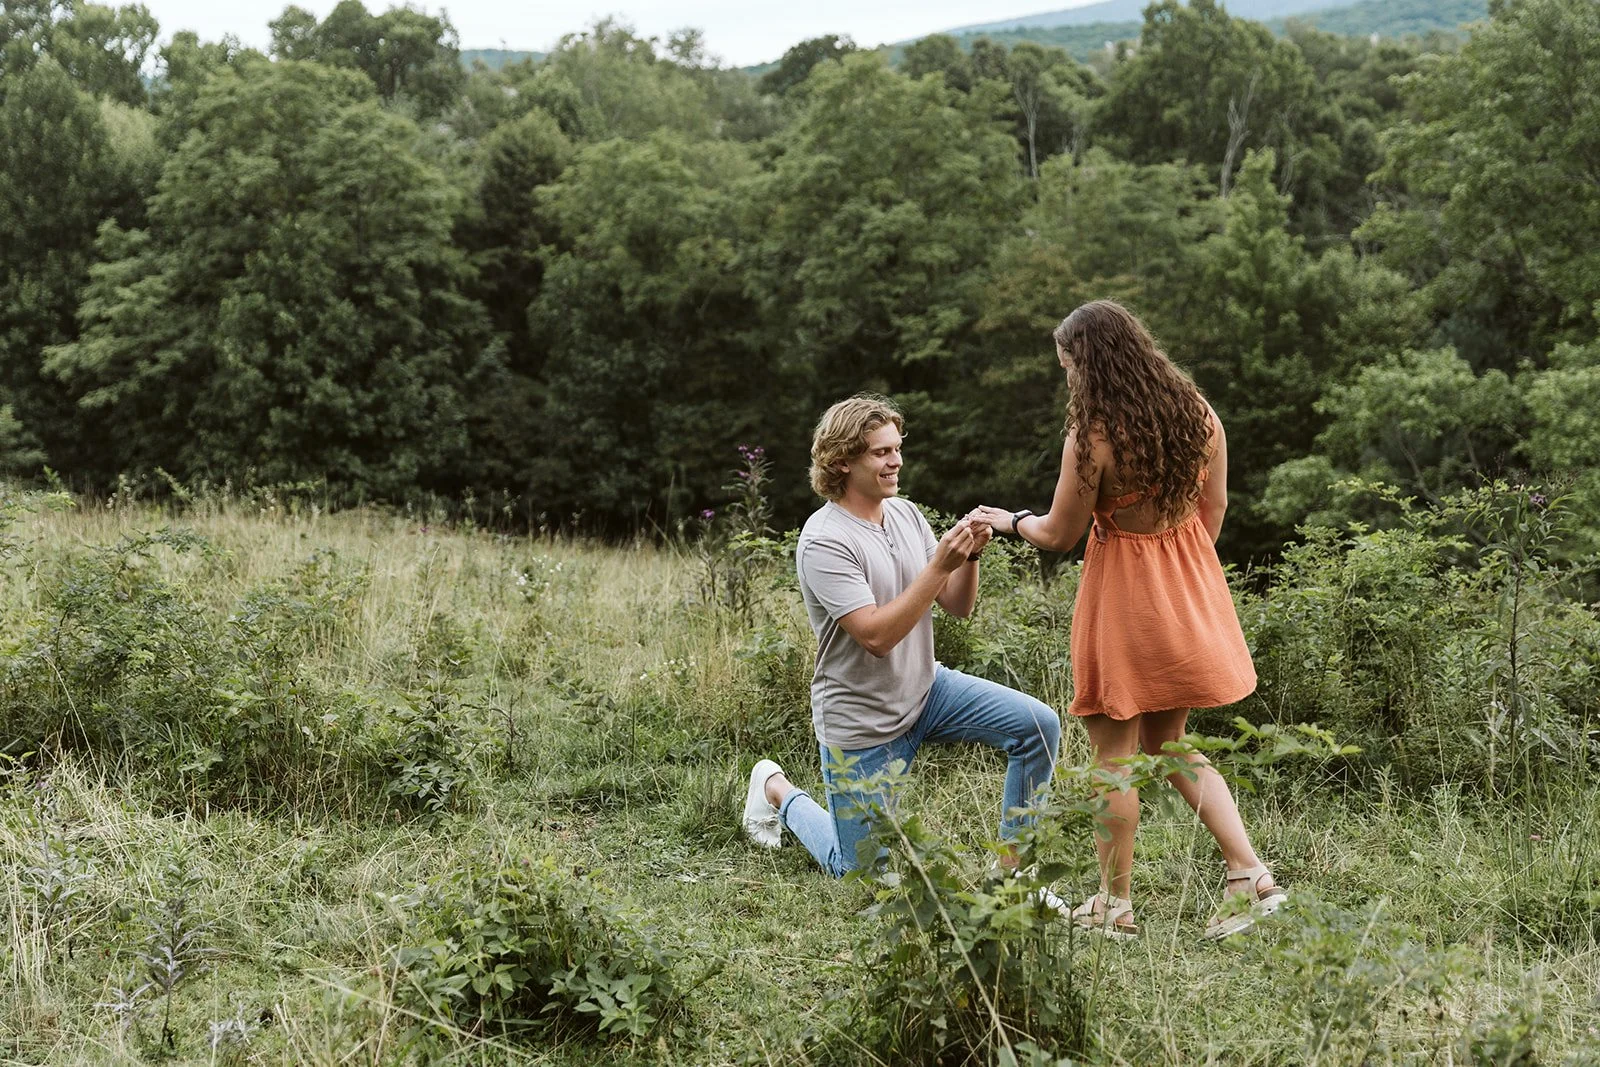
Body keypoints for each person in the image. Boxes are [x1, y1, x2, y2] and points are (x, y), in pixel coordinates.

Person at [970, 300, 1287, 941]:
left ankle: (1115, 908)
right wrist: (1179, 561)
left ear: (1091, 365)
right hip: (1189, 585)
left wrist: (1009, 521)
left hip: (1122, 598)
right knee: (1169, 746)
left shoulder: (1096, 435)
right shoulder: (1199, 414)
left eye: (1068, 369)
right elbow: (1214, 508)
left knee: (1112, 755)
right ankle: (1248, 874)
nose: (1068, 383)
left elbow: (1060, 533)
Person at [741, 394, 1063, 883]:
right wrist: (939, 565)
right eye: (881, 452)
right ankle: (777, 790)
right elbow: (875, 636)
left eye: (896, 448)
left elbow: (957, 605)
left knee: (1038, 727)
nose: (896, 461)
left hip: (927, 690)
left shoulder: (906, 513)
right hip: (862, 721)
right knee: (863, 875)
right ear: (843, 461)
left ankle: (1013, 881)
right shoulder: (824, 539)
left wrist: (969, 557)